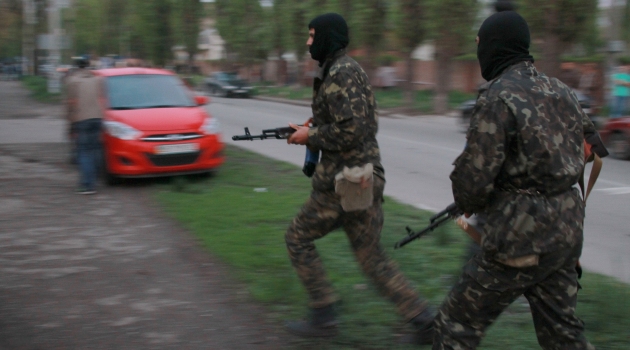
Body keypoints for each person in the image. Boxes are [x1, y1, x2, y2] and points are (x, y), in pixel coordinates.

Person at [434, 11, 600, 350]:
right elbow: (592, 150)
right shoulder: (563, 91)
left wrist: (488, 195)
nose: (479, 52)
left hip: (519, 239)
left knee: (454, 326)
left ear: (495, 47)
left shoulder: (497, 96)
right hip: (566, 233)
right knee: (564, 335)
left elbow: (471, 186)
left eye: (480, 45)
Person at [284, 13, 434, 343]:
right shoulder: (344, 69)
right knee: (370, 257)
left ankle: (323, 314)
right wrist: (313, 124)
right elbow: (354, 120)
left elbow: (353, 129)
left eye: (312, 35)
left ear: (327, 37)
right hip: (363, 178)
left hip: (344, 182)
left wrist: (311, 137)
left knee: (296, 238)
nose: (308, 42)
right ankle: (423, 320)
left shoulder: (340, 72)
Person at [65, 57, 105, 194]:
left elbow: (70, 103)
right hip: (97, 118)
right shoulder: (97, 80)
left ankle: (87, 185)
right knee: (95, 150)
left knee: (83, 151)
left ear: (76, 67)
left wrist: (70, 123)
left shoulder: (73, 81)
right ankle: (94, 180)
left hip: (82, 119)